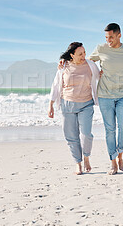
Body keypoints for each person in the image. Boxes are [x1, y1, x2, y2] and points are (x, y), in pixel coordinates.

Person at [89, 23, 123, 175]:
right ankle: (113, 162)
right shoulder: (101, 48)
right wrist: (64, 60)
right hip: (104, 95)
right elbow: (87, 62)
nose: (108, 40)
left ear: (119, 35)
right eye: (106, 37)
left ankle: (120, 155)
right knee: (109, 130)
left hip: (122, 94)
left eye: (111, 37)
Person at [48, 42, 100, 175]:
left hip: (86, 104)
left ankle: (86, 157)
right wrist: (51, 105)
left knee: (86, 134)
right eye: (80, 54)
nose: (84, 56)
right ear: (72, 55)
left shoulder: (91, 65)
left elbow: (101, 77)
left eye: (84, 53)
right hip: (67, 104)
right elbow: (56, 85)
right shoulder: (63, 66)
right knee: (71, 136)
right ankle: (78, 163)